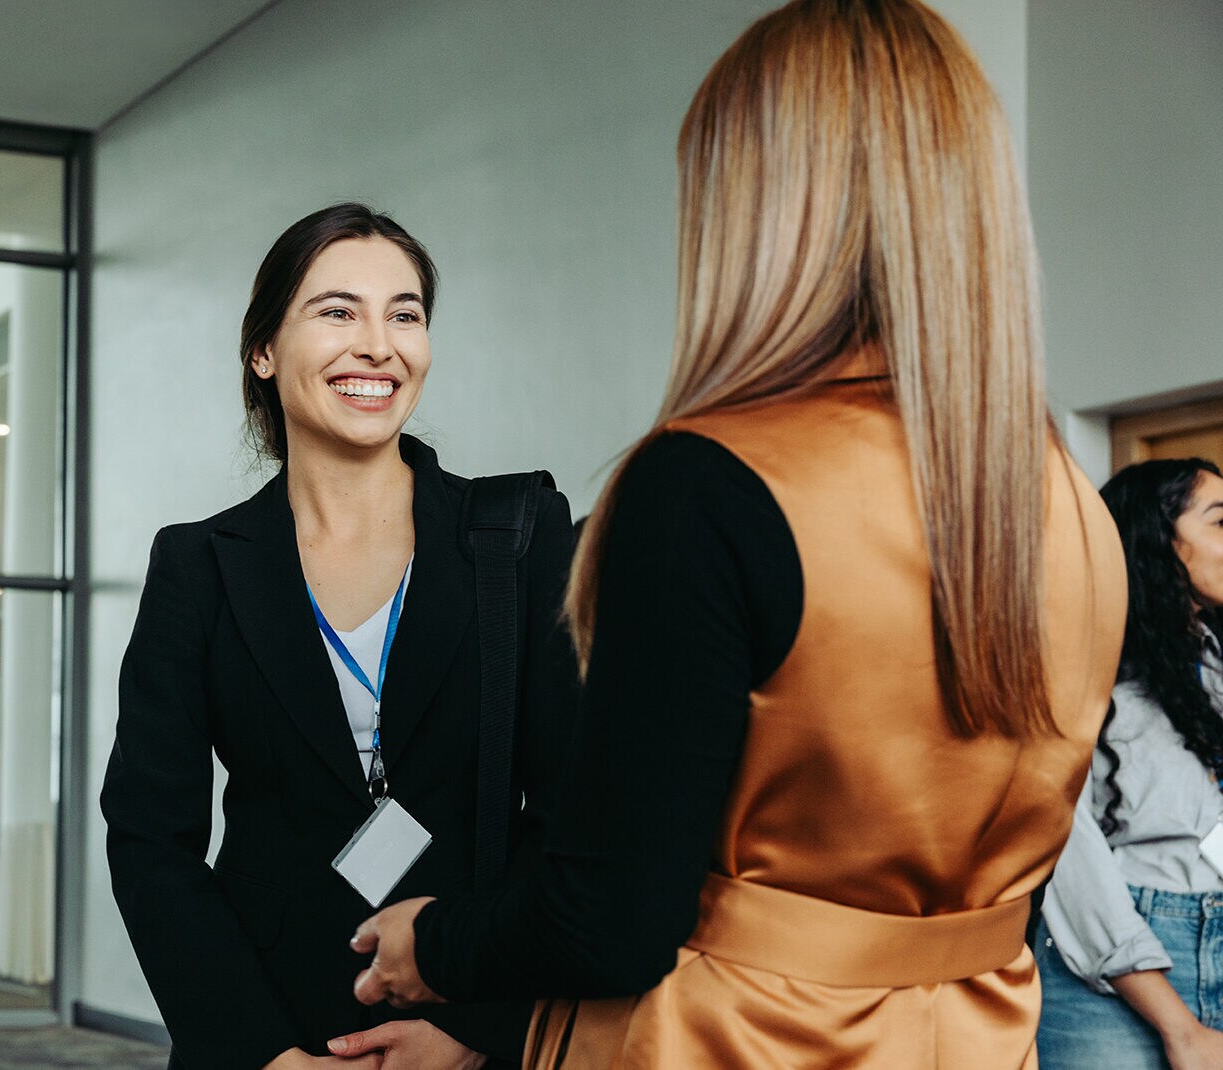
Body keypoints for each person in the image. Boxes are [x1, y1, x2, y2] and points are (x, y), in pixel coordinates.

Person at [345, 1, 1128, 1066]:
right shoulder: (1070, 506)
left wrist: (433, 939)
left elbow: (610, 912)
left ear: (758, 206)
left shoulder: (706, 483)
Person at [102, 202, 576, 1070]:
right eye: (337, 311)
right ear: (263, 350)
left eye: (405, 314)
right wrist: (263, 1055)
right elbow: (148, 838)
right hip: (266, 1020)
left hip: (468, 1011)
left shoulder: (520, 536)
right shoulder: (198, 565)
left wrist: (479, 1039)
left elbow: (573, 814)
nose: (378, 344)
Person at [1038, 458, 1223, 1069]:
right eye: (1221, 522)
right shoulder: (1079, 671)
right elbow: (1069, 854)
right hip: (1117, 967)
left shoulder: (1215, 663)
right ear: (1155, 542)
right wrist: (1177, 1024)